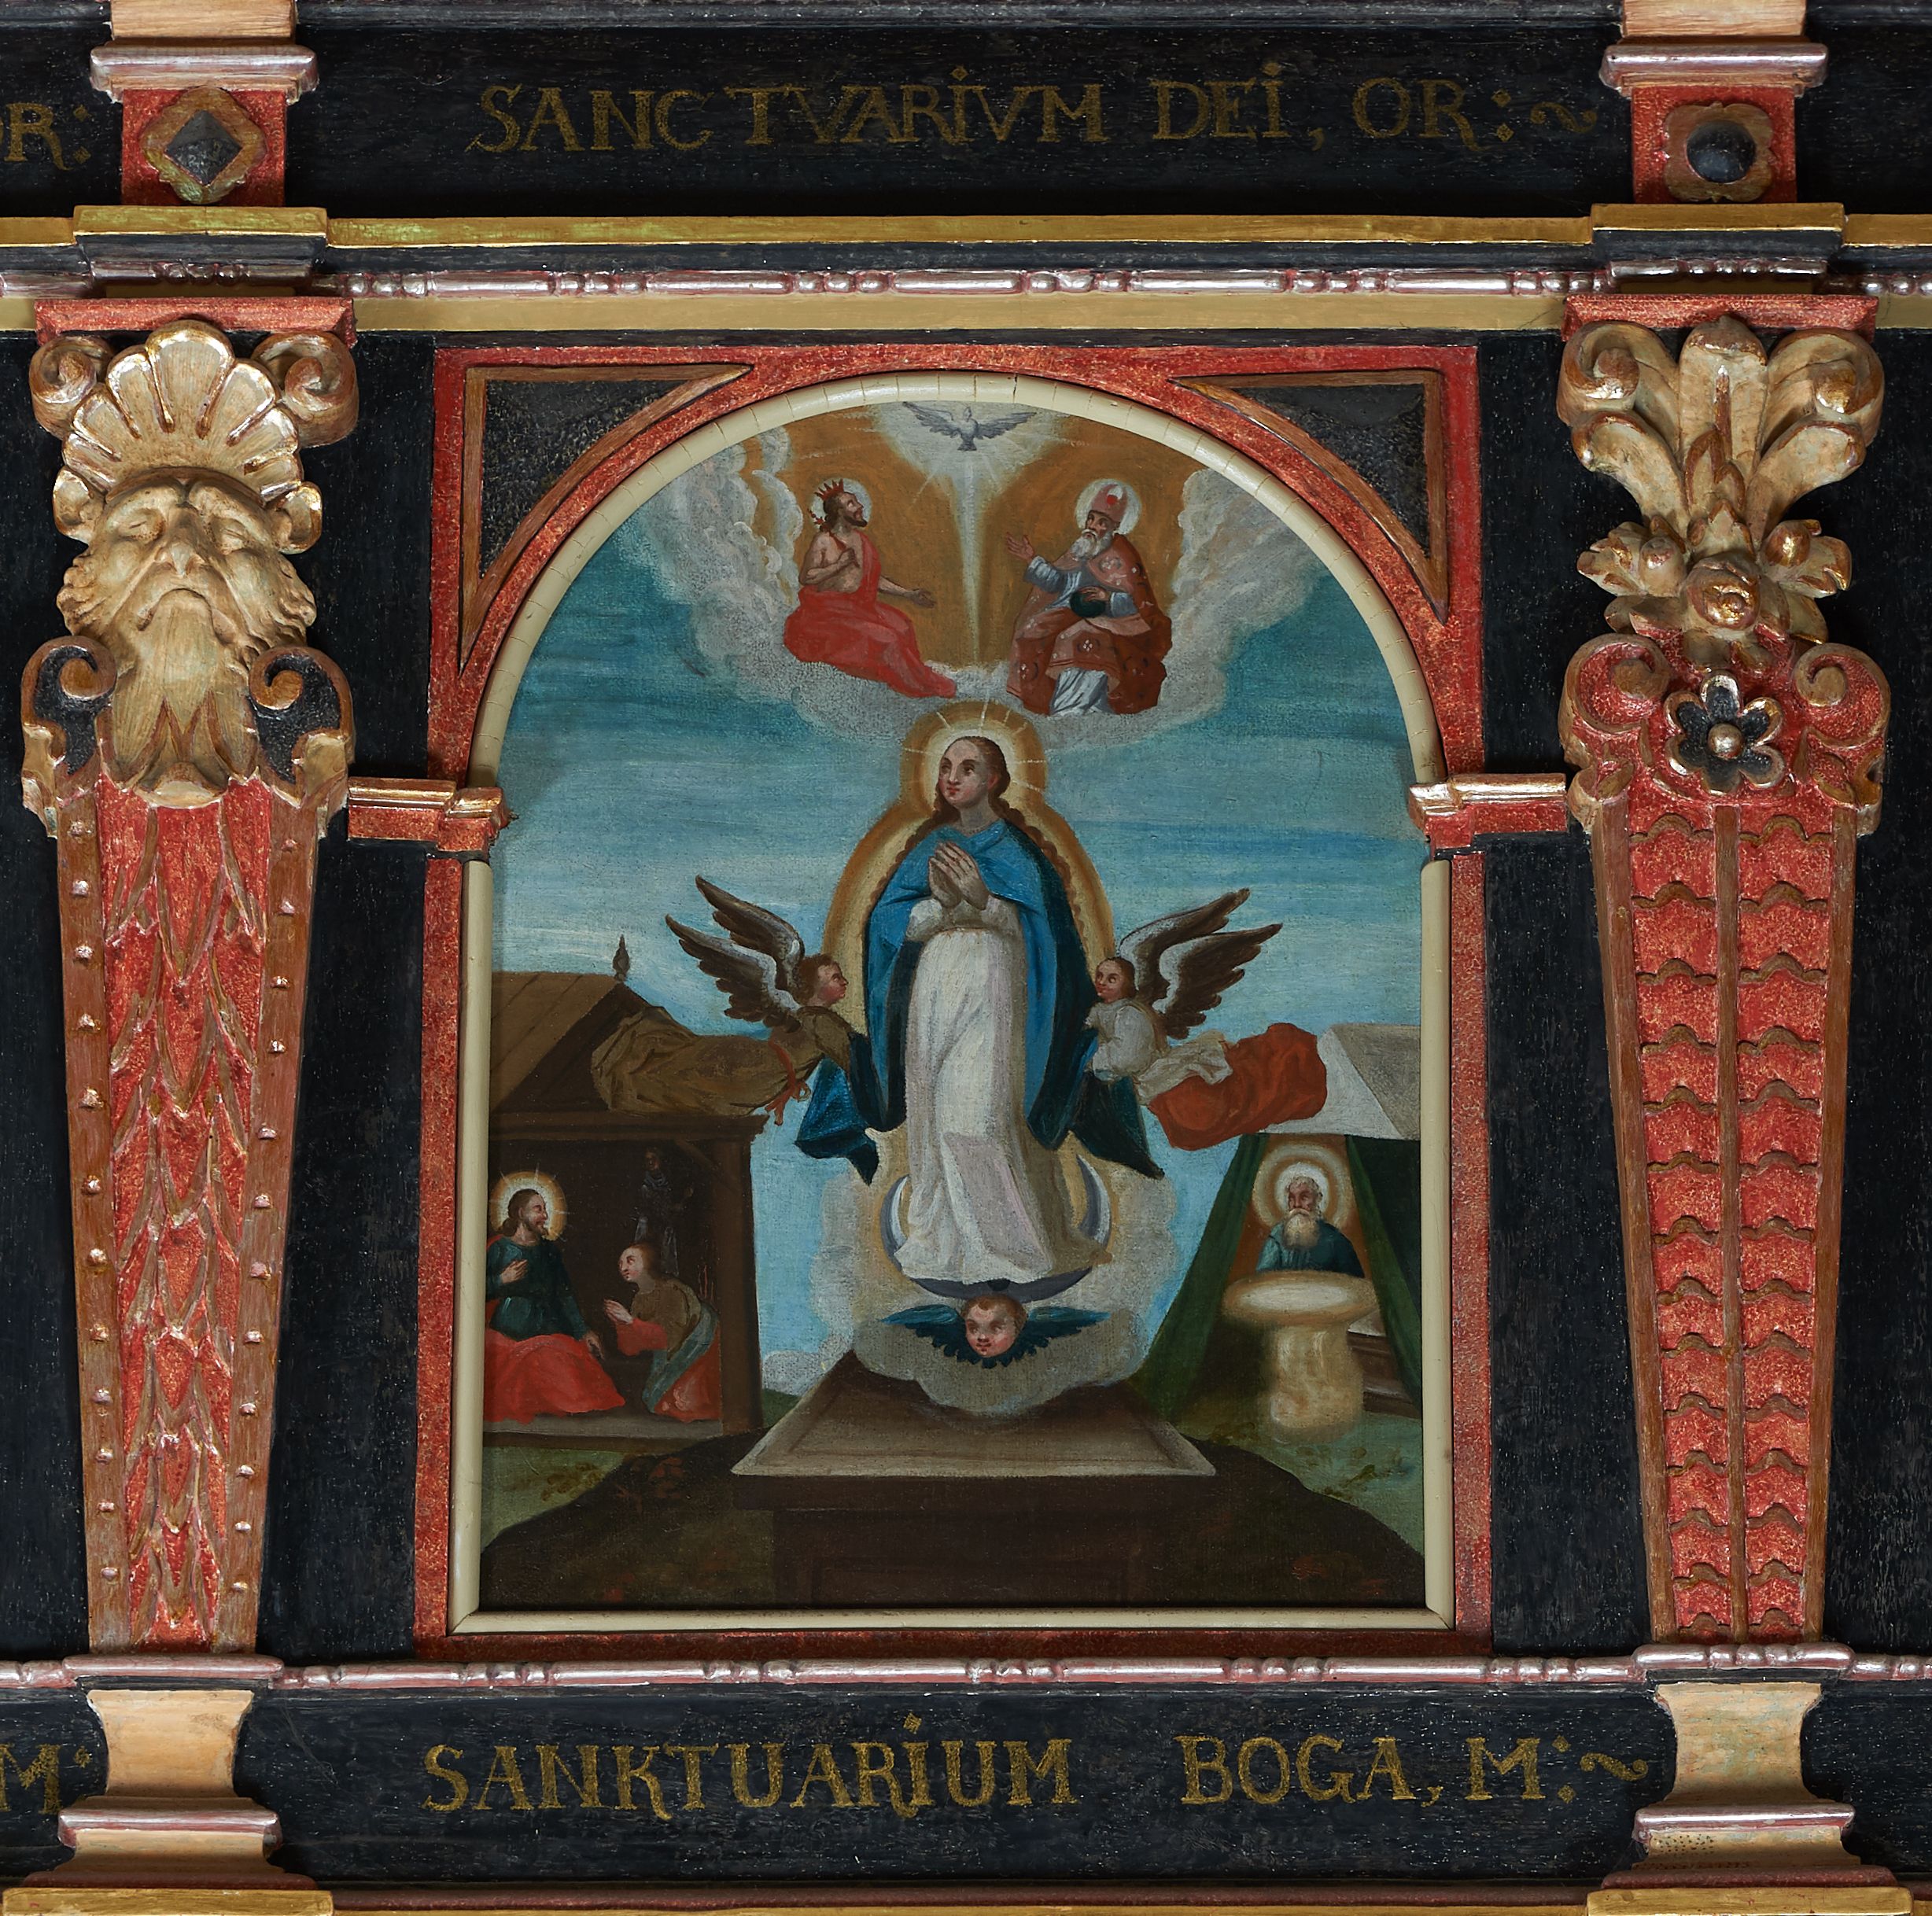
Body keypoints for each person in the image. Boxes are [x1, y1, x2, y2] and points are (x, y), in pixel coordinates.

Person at [797, 732, 1156, 1291]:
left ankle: (1012, 1247)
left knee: (977, 1119)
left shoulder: (1018, 851)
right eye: (946, 766)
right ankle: (947, 1245)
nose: (952, 777)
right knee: (934, 1119)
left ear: (994, 779)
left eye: (967, 768)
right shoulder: (930, 846)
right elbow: (887, 925)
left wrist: (986, 901)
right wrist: (937, 908)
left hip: (996, 995)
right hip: (932, 997)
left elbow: (1049, 938)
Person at [1005, 484, 1171, 717]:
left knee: (1082, 636)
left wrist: (1108, 597)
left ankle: (1082, 709)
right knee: (1033, 630)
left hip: (1113, 624)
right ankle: (1061, 705)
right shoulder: (1079, 551)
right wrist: (1031, 559)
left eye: (1102, 522)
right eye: (1091, 519)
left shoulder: (1122, 555)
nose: (1093, 526)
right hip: (1065, 614)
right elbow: (1058, 583)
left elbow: (1138, 603)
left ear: (1115, 527)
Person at [782, 481, 954, 698]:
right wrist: (839, 565)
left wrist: (908, 594)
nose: (860, 506)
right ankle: (911, 689)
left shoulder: (861, 540)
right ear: (839, 512)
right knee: (889, 640)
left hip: (860, 608)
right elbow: (806, 577)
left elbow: (873, 579)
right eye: (851, 503)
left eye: (856, 501)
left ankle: (916, 681)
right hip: (830, 614)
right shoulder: (824, 542)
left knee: (903, 627)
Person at [483, 1188, 623, 1424]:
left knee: (571, 1376)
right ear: (521, 1213)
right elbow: (471, 1292)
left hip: (549, 1331)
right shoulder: (499, 1249)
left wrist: (583, 1331)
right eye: (538, 1209)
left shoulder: (549, 1251)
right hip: (508, 1336)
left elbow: (564, 1295)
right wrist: (501, 1280)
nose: (545, 1216)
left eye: (545, 1209)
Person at [600, 1240, 722, 1423]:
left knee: (681, 1403)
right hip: (672, 1353)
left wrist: (631, 1321)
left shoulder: (672, 1290)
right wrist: (622, 1324)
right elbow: (631, 1349)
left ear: (648, 1262)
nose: (623, 1268)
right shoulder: (639, 1300)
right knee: (661, 1404)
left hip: (699, 1346)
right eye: (620, 1263)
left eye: (630, 1261)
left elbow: (670, 1337)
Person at [1259, 1174, 1364, 1277]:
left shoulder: (1335, 1240)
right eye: (1291, 1198)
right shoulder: (1276, 1237)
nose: (1297, 1204)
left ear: (1317, 1199)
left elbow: (1353, 1282)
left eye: (1304, 1197)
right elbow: (1264, 1279)